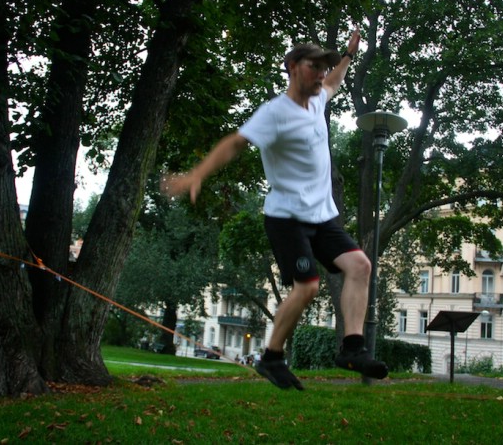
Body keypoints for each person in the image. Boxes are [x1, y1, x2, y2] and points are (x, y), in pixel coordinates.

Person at [163, 29, 388, 390]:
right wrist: (196, 175)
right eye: (314, 67)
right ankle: (272, 357)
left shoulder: (317, 100)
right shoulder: (274, 113)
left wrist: (346, 56)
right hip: (286, 217)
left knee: (360, 265)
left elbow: (335, 82)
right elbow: (235, 143)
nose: (320, 74)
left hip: (322, 215)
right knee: (308, 287)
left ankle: (352, 348)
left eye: (321, 68)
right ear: (293, 68)